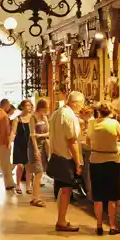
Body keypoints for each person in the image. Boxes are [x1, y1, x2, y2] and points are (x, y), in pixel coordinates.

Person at [87, 101, 120, 235]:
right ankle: (112, 226)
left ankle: (99, 226)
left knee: (98, 196)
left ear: (98, 111)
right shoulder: (114, 124)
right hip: (112, 160)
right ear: (110, 112)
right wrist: (117, 146)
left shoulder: (91, 123)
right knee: (112, 196)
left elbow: (88, 142)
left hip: (95, 160)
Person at [47, 90, 84, 232]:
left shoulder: (57, 113)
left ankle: (61, 219)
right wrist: (78, 162)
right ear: (75, 103)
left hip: (57, 155)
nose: (81, 107)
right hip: (66, 157)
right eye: (81, 104)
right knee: (67, 190)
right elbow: (72, 141)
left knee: (62, 189)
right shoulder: (69, 116)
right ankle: (61, 221)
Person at [10, 100, 37, 196]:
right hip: (19, 144)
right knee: (20, 165)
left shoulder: (32, 118)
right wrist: (9, 142)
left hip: (29, 144)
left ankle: (28, 186)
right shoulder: (17, 119)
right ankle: (18, 185)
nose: (29, 107)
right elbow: (13, 132)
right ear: (22, 106)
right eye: (27, 105)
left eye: (30, 105)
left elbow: (35, 131)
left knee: (28, 165)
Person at [30, 98, 50, 207]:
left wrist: (40, 135)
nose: (47, 109)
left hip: (44, 145)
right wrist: (36, 150)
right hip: (35, 147)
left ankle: (35, 197)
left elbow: (49, 132)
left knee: (39, 172)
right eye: (46, 107)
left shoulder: (45, 117)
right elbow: (32, 135)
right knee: (38, 172)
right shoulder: (33, 117)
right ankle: (35, 197)